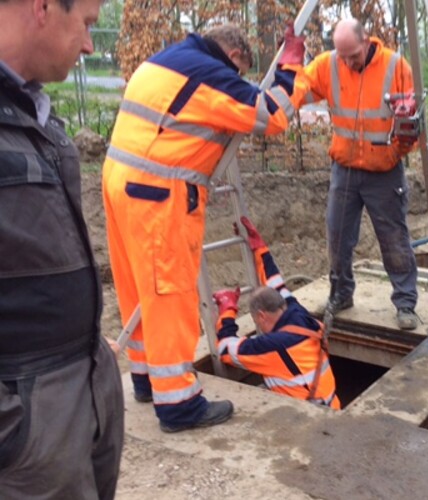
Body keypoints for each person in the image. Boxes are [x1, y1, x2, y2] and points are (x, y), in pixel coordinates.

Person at [102, 23, 309, 433]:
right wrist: (290, 66)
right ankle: (179, 404)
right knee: (169, 296)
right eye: (240, 72)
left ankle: (147, 380)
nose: (238, 82)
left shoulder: (163, 62)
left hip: (119, 183)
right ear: (232, 55)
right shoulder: (210, 74)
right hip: (159, 195)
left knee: (137, 288)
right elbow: (272, 115)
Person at [0, 0, 124, 498]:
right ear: (44, 7)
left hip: (79, 386)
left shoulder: (32, 109)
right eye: (88, 25)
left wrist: (85, 346)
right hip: (29, 421)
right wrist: (15, 429)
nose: (92, 45)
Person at [302, 19, 420, 330]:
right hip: (345, 170)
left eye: (353, 55)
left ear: (366, 41)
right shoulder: (328, 65)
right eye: (343, 57)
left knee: (393, 238)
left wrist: (400, 148)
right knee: (338, 236)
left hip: (384, 171)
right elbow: (298, 91)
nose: (349, 62)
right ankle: (341, 293)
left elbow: (416, 120)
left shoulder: (396, 66)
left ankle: (405, 302)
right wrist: (287, 68)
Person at [213, 217, 341, 409]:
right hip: (332, 405)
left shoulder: (272, 346)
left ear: (262, 316)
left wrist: (227, 309)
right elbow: (275, 283)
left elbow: (224, 349)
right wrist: (259, 248)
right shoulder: (297, 312)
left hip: (311, 422)